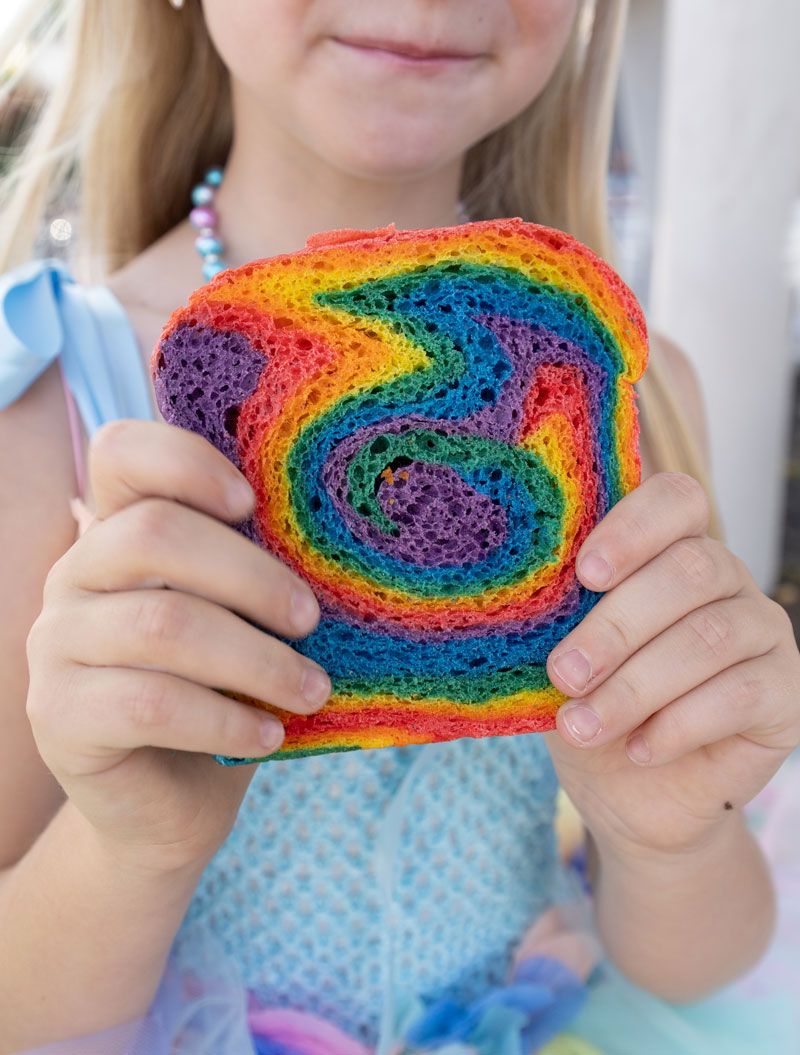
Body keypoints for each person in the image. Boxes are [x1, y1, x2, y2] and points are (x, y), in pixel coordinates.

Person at [1, 1, 799, 1052]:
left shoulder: (630, 399)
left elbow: (699, 953)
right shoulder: (44, 411)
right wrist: (128, 845)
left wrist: (667, 840)